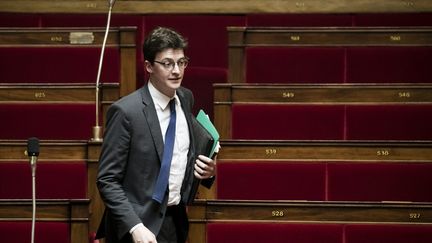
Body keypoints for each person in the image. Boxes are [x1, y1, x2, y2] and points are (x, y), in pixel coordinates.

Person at [96, 27, 217, 243]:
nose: (177, 71)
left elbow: (180, 154)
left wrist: (207, 172)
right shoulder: (126, 112)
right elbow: (107, 180)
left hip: (175, 221)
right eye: (168, 63)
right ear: (149, 66)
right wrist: (135, 227)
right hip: (137, 227)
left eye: (181, 62)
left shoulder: (185, 98)